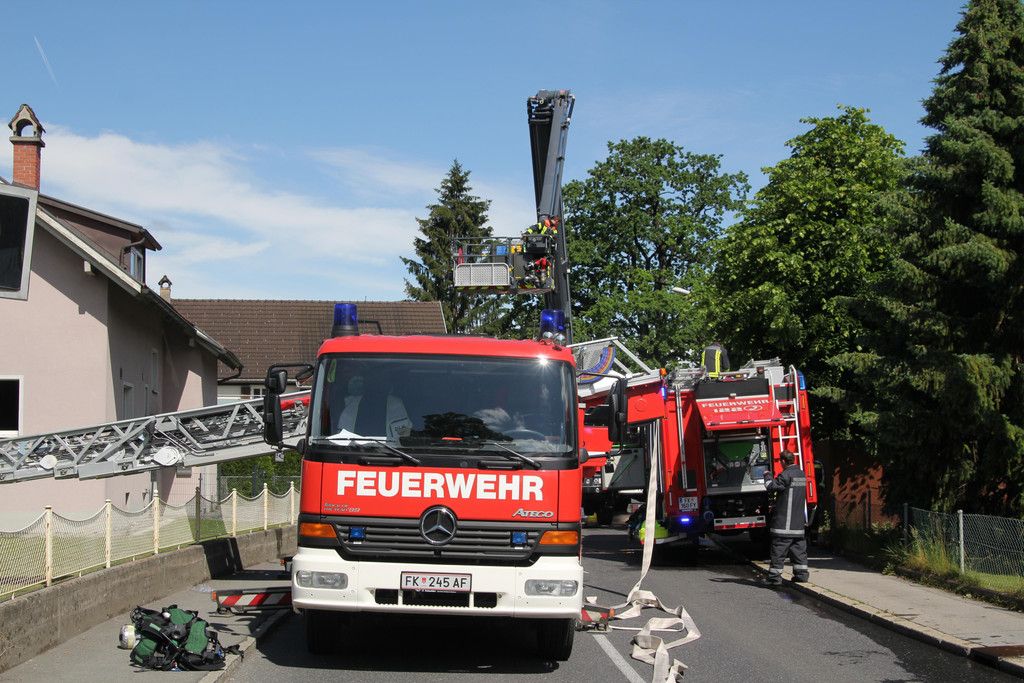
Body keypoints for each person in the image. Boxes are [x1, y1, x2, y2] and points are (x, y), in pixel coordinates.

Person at [763, 449, 809, 585]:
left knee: (778, 551)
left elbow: (771, 487)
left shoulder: (786, 475)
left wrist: (767, 475)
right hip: (798, 524)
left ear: (783, 461)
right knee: (799, 550)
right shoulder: (801, 474)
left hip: (784, 524)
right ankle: (801, 575)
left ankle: (774, 578)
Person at [334, 374, 410, 439]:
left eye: (380, 382)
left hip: (394, 452)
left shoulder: (397, 406)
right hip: (353, 451)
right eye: (374, 382)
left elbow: (404, 439)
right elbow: (341, 441)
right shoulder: (350, 409)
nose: (376, 387)